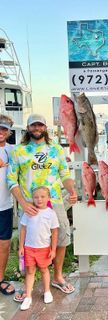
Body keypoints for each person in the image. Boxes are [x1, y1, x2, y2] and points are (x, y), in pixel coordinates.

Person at [7, 114, 78, 302]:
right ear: (28, 128)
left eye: (40, 125)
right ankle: (27, 284)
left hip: (53, 201)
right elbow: (11, 180)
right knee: (27, 243)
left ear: (45, 127)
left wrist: (71, 189)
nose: (37, 128)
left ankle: (57, 276)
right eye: (33, 125)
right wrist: (23, 203)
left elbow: (64, 173)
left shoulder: (55, 149)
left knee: (62, 236)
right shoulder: (19, 151)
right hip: (30, 203)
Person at [19, 186, 58, 310]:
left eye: (42, 196)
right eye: (36, 197)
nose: (39, 199)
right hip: (29, 247)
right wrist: (21, 246)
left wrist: (53, 249)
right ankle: (28, 297)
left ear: (48, 198)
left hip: (44, 248)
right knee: (30, 271)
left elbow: (55, 232)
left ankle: (47, 291)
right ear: (32, 198)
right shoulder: (29, 212)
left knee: (44, 269)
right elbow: (23, 229)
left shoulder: (51, 213)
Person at [0, 115, 15, 295]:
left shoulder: (13, 150)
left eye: (4, 129)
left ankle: (1, 279)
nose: (1, 132)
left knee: (4, 244)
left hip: (5, 205)